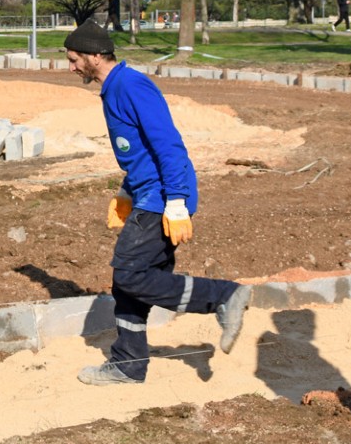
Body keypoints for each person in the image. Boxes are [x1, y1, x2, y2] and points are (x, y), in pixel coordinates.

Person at [64, 20, 252, 384]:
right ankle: (128, 366)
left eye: (74, 59)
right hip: (146, 193)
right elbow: (140, 151)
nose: (70, 68)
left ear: (95, 55)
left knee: (130, 275)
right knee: (131, 282)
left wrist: (177, 202)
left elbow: (168, 144)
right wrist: (126, 191)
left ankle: (224, 296)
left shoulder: (132, 86)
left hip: (163, 196)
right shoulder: (113, 88)